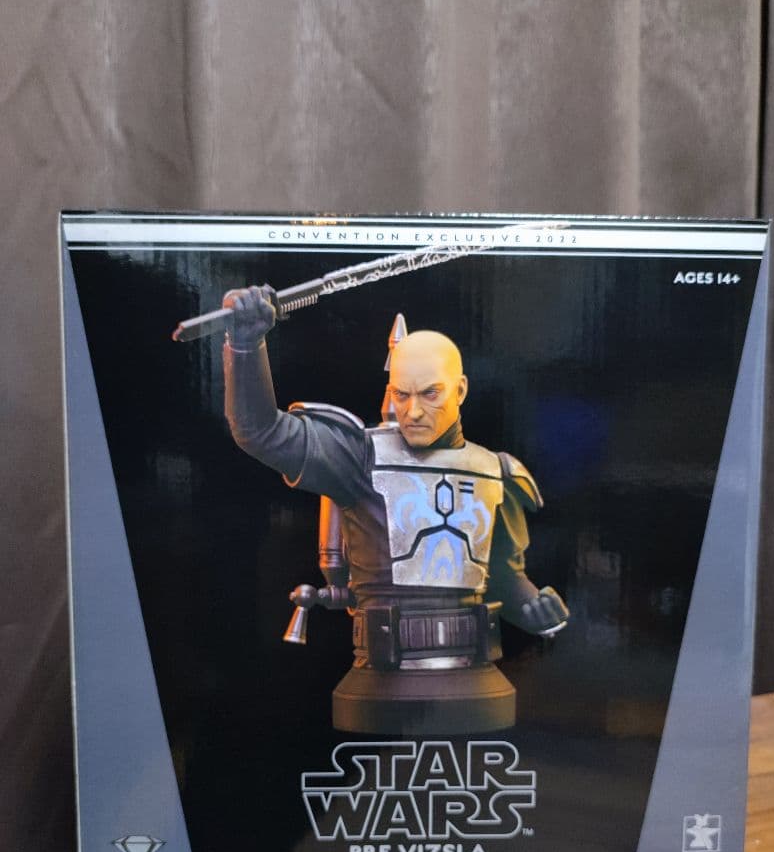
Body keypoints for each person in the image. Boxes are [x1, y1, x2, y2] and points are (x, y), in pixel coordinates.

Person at [223, 286, 568, 733]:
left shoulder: (494, 470)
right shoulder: (360, 455)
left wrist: (536, 609)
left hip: (477, 675)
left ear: (461, 390)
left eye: (430, 394)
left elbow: (501, 572)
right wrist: (246, 344)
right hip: (379, 678)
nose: (414, 411)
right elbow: (261, 432)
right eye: (402, 395)